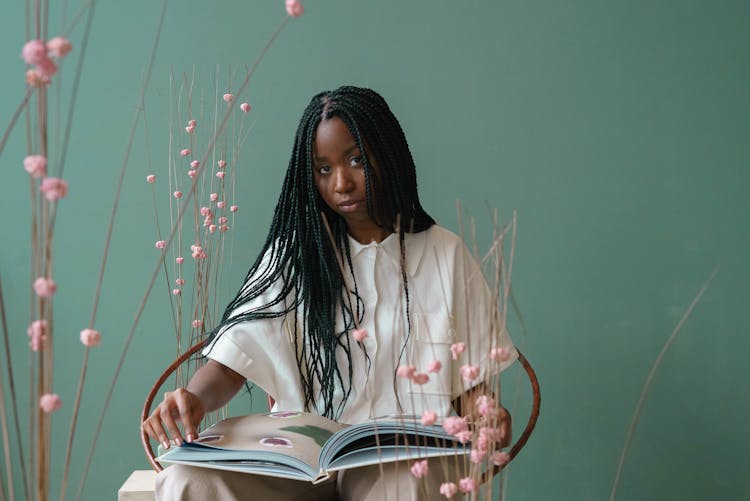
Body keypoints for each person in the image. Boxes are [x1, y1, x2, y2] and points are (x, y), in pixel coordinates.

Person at [142, 85, 518, 500]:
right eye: (323, 169)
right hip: (300, 459)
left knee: (402, 489)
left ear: (388, 156)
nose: (341, 182)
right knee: (186, 481)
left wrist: (487, 415)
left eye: (356, 160)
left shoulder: (446, 255)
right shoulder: (295, 256)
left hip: (401, 457)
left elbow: (470, 383)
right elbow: (234, 360)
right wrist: (193, 397)